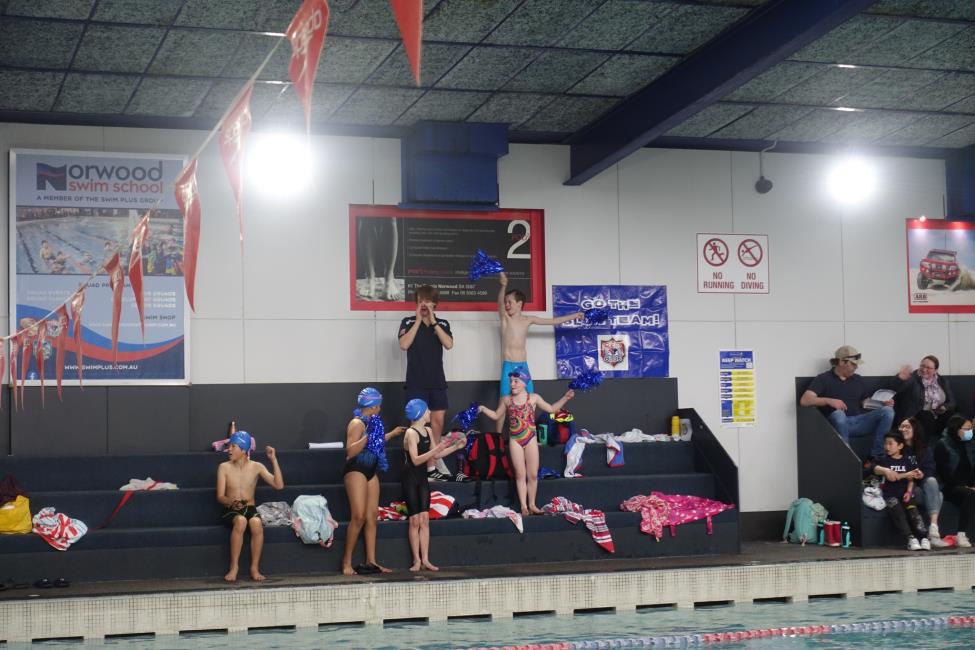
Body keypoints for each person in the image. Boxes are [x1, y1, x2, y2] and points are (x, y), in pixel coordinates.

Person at [478, 366, 574, 516]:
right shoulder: (506, 400)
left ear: (525, 382)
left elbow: (551, 409)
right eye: (510, 381)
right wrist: (483, 409)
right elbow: (497, 416)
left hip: (530, 439)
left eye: (516, 381)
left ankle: (532, 504)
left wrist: (565, 398)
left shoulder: (533, 398)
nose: (512, 384)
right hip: (515, 440)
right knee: (520, 474)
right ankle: (523, 505)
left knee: (533, 474)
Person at [800, 345, 909, 458]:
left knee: (887, 411)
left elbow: (865, 402)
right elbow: (805, 400)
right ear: (842, 362)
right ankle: (847, 456)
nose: (856, 367)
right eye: (853, 364)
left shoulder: (857, 379)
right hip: (837, 424)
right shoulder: (823, 379)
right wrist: (828, 400)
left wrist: (882, 404)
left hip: (859, 421)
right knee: (839, 414)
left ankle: (877, 455)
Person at [341, 387, 405, 576]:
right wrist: (369, 434)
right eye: (378, 406)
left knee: (371, 517)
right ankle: (346, 562)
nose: (380, 409)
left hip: (371, 470)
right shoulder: (357, 423)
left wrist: (391, 434)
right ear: (373, 406)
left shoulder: (373, 423)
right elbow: (350, 451)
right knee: (359, 516)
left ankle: (371, 561)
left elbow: (375, 442)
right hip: (356, 469)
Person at [398, 285, 456, 482]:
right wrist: (417, 321)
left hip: (437, 382)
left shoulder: (442, 323)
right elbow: (403, 344)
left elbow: (449, 344)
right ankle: (416, 464)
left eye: (427, 301)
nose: (423, 304)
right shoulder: (407, 321)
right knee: (416, 425)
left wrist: (433, 322)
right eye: (420, 301)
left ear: (434, 304)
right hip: (416, 382)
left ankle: (433, 462)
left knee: (437, 424)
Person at [215, 431, 284, 582]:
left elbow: (278, 485)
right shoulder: (224, 467)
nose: (229, 450)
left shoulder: (257, 467)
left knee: (256, 522)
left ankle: (254, 568)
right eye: (229, 446)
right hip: (230, 508)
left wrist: (273, 459)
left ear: (244, 449)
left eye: (233, 446)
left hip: (250, 508)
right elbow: (220, 496)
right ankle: (234, 566)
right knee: (241, 521)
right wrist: (231, 502)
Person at [401, 398, 460, 572]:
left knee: (425, 519)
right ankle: (416, 560)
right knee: (414, 521)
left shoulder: (427, 430)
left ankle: (425, 559)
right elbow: (416, 460)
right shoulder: (411, 433)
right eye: (427, 410)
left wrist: (456, 447)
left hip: (422, 480)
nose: (429, 413)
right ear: (419, 413)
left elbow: (435, 456)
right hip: (410, 479)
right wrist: (436, 449)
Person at [874, 431, 930, 551]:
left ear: (900, 446)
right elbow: (892, 477)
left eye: (890, 444)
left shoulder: (907, 460)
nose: (887, 447)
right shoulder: (883, 460)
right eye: (885, 443)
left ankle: (924, 537)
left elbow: (911, 480)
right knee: (898, 512)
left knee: (914, 512)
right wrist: (906, 474)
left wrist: (909, 492)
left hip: (905, 494)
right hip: (890, 496)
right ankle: (911, 539)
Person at [898, 417, 948, 547]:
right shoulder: (896, 447)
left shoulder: (924, 449)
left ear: (915, 429)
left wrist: (921, 474)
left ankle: (933, 528)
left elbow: (930, 469)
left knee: (931, 481)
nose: (903, 429)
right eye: (901, 426)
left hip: (921, 486)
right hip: (906, 489)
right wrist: (910, 476)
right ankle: (933, 535)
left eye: (907, 427)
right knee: (938, 496)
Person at [933, 415, 975, 548]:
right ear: (957, 429)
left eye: (971, 429)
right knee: (970, 494)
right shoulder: (942, 445)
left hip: (967, 486)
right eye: (967, 429)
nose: (970, 432)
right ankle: (961, 534)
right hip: (948, 486)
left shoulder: (970, 445)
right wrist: (964, 487)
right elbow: (943, 473)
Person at [894, 355, 956, 439]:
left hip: (937, 415)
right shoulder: (913, 378)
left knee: (952, 415)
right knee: (927, 415)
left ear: (935, 370)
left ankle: (948, 443)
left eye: (928, 368)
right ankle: (924, 444)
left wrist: (944, 407)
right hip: (917, 416)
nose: (924, 370)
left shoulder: (942, 381)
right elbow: (897, 389)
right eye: (922, 366)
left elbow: (952, 401)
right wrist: (900, 378)